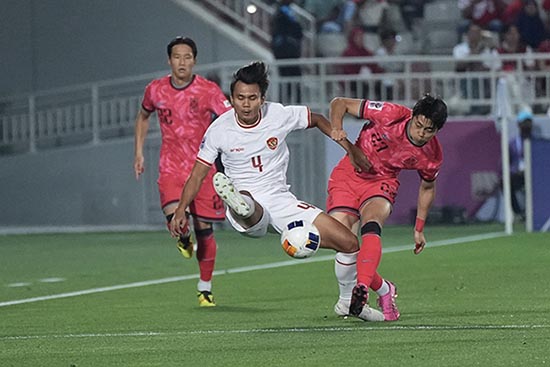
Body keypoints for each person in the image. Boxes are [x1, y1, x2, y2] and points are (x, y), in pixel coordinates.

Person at [169, 61, 384, 322]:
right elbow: (197, 174)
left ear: (262, 98)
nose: (245, 104)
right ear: (231, 98)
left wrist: (350, 149)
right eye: (239, 98)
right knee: (249, 207)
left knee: (349, 243)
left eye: (252, 98)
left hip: (282, 201)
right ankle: (239, 203)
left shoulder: (278, 114)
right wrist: (181, 210)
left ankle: (347, 302)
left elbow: (316, 119)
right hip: (247, 202)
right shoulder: (219, 130)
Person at [327, 94, 448, 321]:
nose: (420, 133)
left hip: (382, 182)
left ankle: (360, 289)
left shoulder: (432, 155)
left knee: (372, 223)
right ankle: (384, 289)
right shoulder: (390, 114)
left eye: (428, 130)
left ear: (437, 130)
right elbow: (339, 103)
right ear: (412, 116)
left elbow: (427, 187)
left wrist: (419, 227)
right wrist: (337, 128)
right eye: (418, 125)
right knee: (345, 244)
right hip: (348, 175)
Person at [133, 36, 232, 307]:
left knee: (205, 230)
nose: (182, 62)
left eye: (187, 57)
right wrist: (139, 151)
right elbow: (143, 116)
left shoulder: (208, 91)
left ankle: (205, 289)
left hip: (203, 169)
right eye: (177, 57)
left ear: (194, 61)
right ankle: (183, 239)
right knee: (177, 221)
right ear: (169, 60)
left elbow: (229, 120)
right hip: (171, 168)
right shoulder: (155, 90)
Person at [509, 110, 533, 220]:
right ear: (519, 124)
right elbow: (506, 163)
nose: (527, 125)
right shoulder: (513, 143)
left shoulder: (536, 141)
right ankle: (519, 213)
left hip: (534, 174)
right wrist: (513, 171)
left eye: (529, 122)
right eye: (524, 122)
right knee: (506, 182)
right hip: (517, 174)